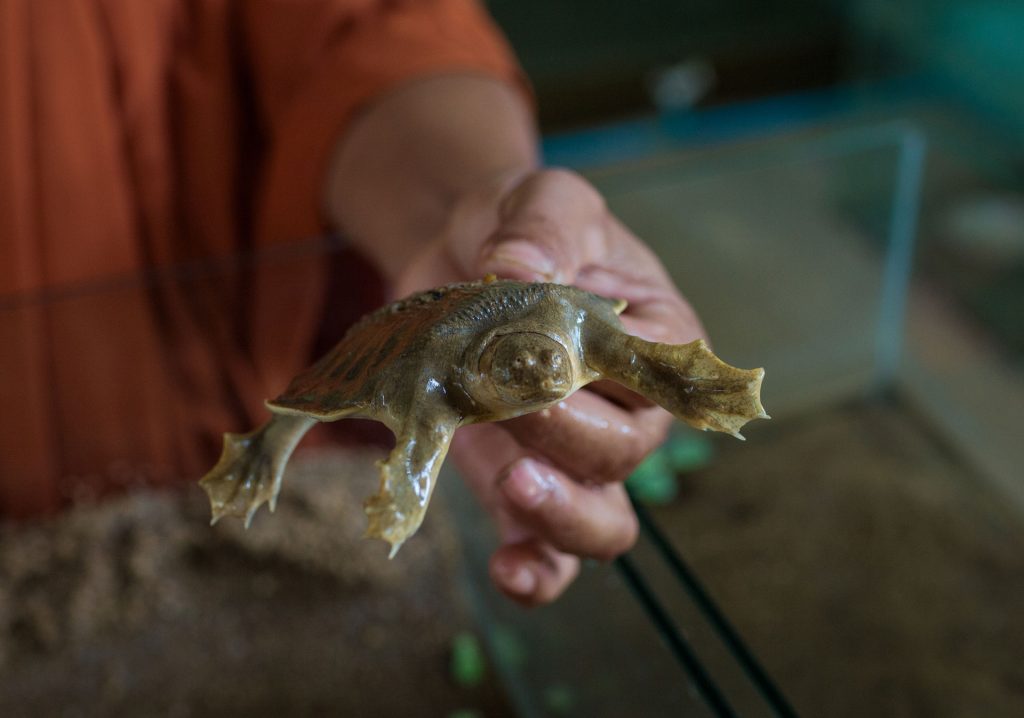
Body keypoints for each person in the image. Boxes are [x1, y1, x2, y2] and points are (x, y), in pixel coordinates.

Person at [0, 0, 704, 606]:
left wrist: (477, 199)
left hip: (264, 429)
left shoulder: (540, 318)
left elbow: (367, 27)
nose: (537, 380)